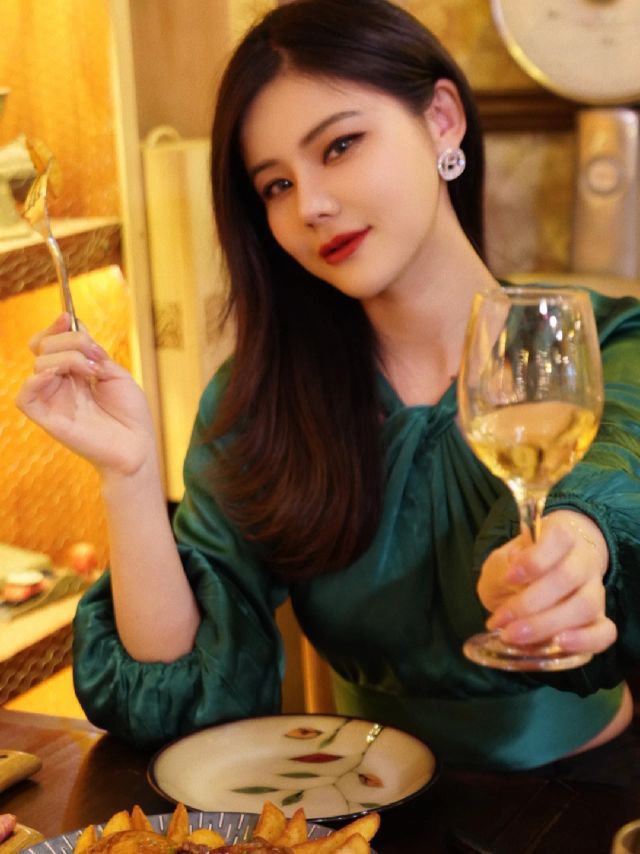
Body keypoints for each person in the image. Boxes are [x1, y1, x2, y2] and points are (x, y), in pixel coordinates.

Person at [16, 0, 640, 773]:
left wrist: (578, 542)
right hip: (363, 802)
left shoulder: (603, 346)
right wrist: (130, 478)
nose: (310, 205)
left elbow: (620, 468)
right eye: (276, 185)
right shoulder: (261, 402)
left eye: (340, 146)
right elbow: (179, 695)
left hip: (591, 796)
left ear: (442, 121)